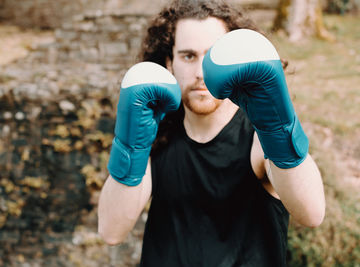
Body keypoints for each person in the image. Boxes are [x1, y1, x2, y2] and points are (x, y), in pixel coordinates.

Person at [98, 0, 326, 266]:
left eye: (212, 57)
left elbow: (312, 213)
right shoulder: (154, 135)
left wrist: (278, 129)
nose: (200, 73)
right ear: (169, 63)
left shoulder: (258, 138)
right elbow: (111, 231)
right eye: (188, 56)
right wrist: (130, 146)